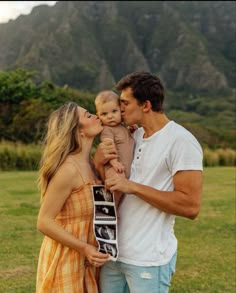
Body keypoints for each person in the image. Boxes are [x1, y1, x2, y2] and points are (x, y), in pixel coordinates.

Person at [94, 72, 203, 293]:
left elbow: (190, 206)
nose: (119, 108)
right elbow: (106, 183)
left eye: (124, 103)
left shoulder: (181, 141)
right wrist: (98, 160)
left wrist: (132, 186)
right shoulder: (131, 136)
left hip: (147, 260)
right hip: (111, 254)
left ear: (145, 105)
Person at [36, 102, 110, 292]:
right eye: (88, 115)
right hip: (67, 257)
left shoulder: (91, 164)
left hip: (89, 258)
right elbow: (44, 221)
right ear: (78, 131)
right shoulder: (67, 170)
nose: (95, 115)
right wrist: (84, 248)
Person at [95, 90, 135, 209]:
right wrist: (114, 162)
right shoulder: (107, 130)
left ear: (120, 111)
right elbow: (109, 147)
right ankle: (114, 207)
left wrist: (132, 129)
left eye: (114, 111)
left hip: (124, 167)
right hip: (113, 167)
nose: (110, 116)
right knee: (117, 184)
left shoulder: (123, 127)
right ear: (98, 116)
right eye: (104, 114)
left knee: (122, 188)